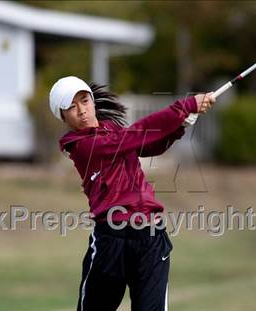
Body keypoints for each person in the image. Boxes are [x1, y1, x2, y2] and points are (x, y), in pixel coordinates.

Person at [49, 76, 214, 311]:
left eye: (84, 101)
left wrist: (181, 126)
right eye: (71, 107)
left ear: (92, 101)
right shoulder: (81, 146)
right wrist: (185, 106)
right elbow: (136, 135)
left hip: (150, 238)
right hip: (111, 241)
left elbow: (147, 145)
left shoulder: (111, 131)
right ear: (62, 116)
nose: (81, 111)